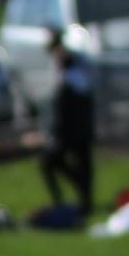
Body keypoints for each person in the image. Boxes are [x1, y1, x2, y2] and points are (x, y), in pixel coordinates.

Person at [40, 28, 95, 217]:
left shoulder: (74, 67)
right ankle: (63, 199)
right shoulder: (59, 67)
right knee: (50, 163)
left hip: (76, 129)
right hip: (64, 130)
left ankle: (86, 202)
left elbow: (82, 91)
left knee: (82, 165)